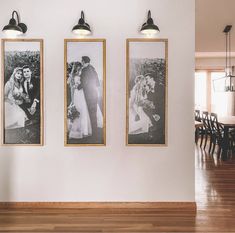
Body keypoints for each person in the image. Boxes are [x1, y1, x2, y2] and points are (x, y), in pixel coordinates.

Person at [77, 56, 102, 139]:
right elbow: (98, 82)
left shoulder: (85, 70)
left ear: (84, 61)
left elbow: (84, 81)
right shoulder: (92, 68)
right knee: (93, 112)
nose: (81, 62)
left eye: (81, 61)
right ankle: (95, 131)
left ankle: (93, 133)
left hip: (88, 94)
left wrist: (78, 87)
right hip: (94, 93)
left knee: (90, 112)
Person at [68, 63, 92, 139]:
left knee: (83, 109)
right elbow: (71, 86)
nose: (79, 69)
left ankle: (84, 129)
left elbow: (84, 83)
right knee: (77, 108)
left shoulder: (82, 75)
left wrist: (80, 84)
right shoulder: (73, 76)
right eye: (78, 68)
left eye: (80, 68)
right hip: (76, 93)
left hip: (81, 93)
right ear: (75, 68)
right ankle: (75, 130)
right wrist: (75, 86)